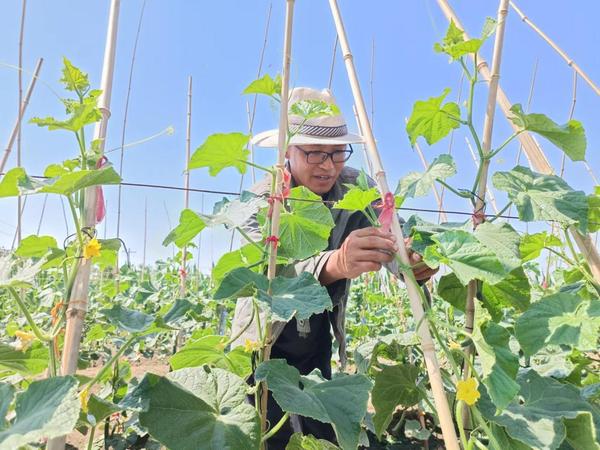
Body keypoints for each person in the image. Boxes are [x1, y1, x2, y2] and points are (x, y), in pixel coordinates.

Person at [231, 87, 436, 449]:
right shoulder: (263, 199)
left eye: (338, 152)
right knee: (266, 432)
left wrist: (410, 261)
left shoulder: (357, 186)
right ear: (287, 151)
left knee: (321, 429)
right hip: (261, 334)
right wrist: (336, 261)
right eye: (314, 153)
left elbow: (393, 237)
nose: (328, 165)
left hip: (318, 329)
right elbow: (269, 276)